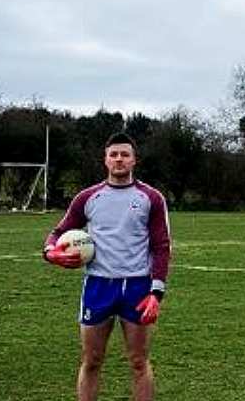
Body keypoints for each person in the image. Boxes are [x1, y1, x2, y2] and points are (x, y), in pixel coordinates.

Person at [43, 132, 171, 401]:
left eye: (125, 154)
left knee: (139, 362)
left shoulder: (151, 198)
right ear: (105, 160)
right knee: (91, 360)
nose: (119, 159)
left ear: (134, 160)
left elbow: (162, 246)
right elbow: (58, 232)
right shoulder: (87, 197)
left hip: (138, 287)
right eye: (114, 154)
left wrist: (156, 293)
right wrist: (50, 253)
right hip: (98, 286)